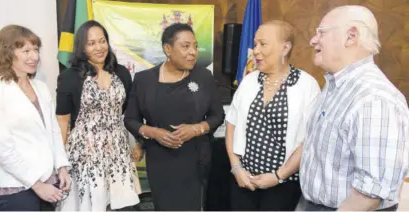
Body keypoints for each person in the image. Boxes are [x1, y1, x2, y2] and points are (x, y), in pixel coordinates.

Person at [300, 5, 409, 211]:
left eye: (321, 32)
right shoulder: (334, 87)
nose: (313, 40)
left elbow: (369, 196)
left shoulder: (374, 99)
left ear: (351, 36)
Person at [124, 23, 224, 211]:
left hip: (195, 161)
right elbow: (130, 120)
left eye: (195, 46)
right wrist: (153, 132)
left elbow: (217, 115)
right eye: (185, 46)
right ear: (167, 49)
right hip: (160, 162)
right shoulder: (144, 80)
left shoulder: (203, 77)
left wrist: (196, 129)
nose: (193, 52)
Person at [225, 20, 320, 211]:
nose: (255, 51)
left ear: (285, 48)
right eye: (255, 43)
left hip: (284, 185)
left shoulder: (307, 86)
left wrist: (278, 176)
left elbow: (310, 140)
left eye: (263, 44)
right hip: (244, 180)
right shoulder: (249, 81)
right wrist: (236, 168)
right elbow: (231, 125)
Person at [0, 25, 71, 211]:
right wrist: (36, 185)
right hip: (17, 187)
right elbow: (2, 148)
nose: (34, 56)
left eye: (36, 49)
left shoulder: (41, 87)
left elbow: (53, 131)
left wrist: (62, 167)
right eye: (26, 51)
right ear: (7, 53)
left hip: (49, 181)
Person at [55, 20, 141, 211]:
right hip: (86, 155)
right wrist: (59, 162)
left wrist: (134, 143)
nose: (99, 47)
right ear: (82, 47)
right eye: (91, 43)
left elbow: (125, 113)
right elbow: (62, 122)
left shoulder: (122, 73)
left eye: (102, 41)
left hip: (118, 151)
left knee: (123, 205)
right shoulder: (69, 78)